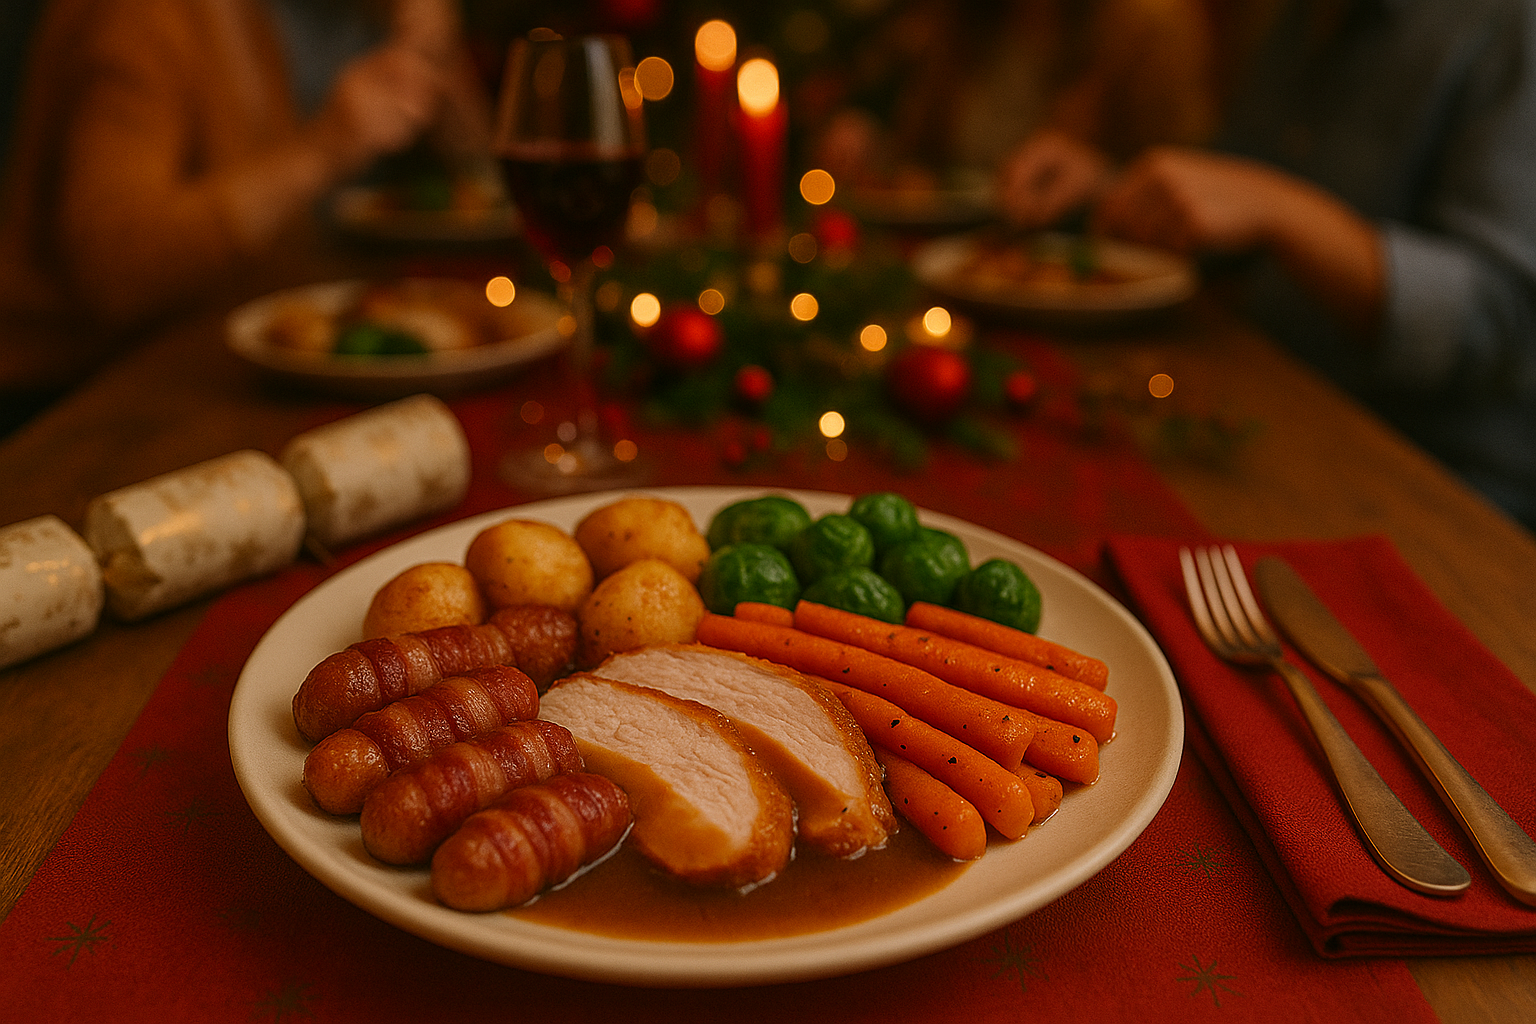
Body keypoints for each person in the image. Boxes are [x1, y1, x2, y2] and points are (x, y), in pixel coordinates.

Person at [1000, 0, 1536, 531]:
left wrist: (1278, 208)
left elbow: (1497, 319)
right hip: (1272, 418)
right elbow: (1229, 206)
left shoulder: (1511, 24)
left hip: (1444, 492)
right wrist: (1110, 188)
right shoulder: (1300, 20)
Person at [0, 0, 490, 434]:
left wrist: (437, 52)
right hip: (75, 396)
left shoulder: (260, 16)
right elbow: (112, 267)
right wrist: (323, 151)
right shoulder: (135, 15)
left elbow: (488, 176)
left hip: (197, 365)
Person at [811, 0, 1215, 197]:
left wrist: (1103, 179)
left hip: (1081, 282)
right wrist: (870, 140)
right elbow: (923, 161)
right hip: (955, 273)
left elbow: (1193, 186)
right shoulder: (959, 20)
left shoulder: (1148, 27)